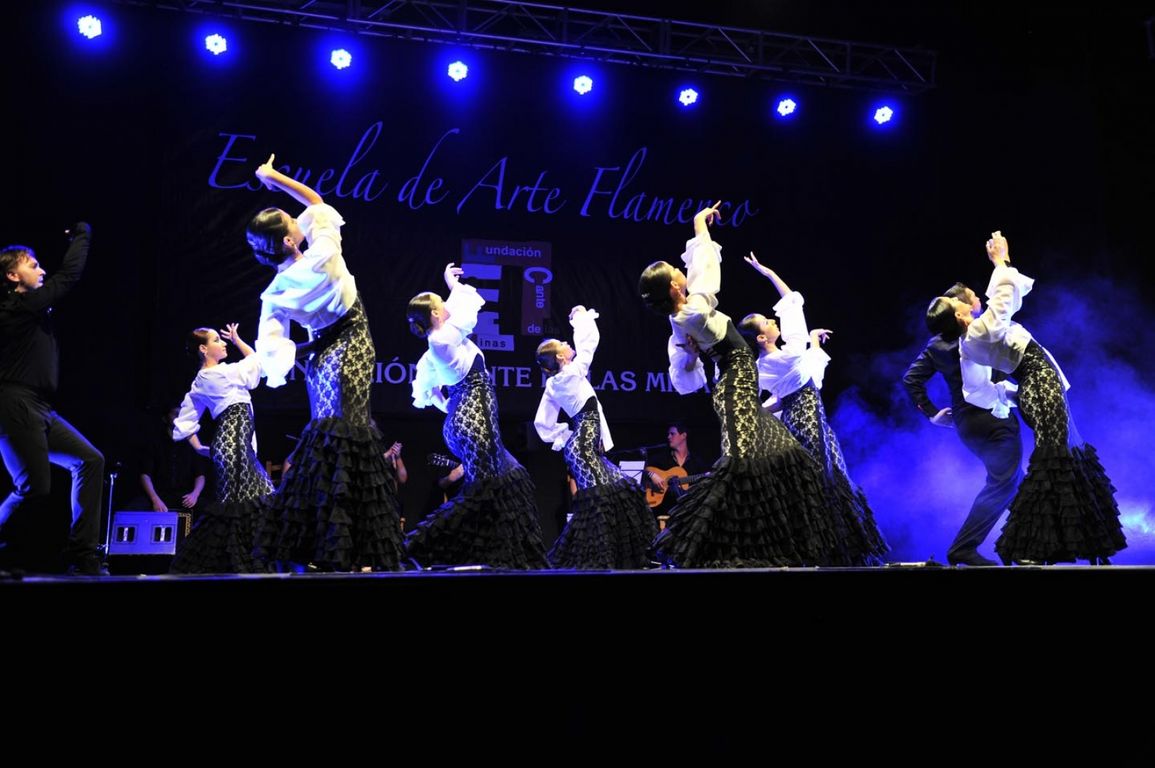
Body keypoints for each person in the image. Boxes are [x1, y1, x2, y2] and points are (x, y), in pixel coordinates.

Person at [637, 204, 836, 568]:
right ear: (675, 286)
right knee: (741, 463)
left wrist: (693, 354)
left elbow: (685, 363)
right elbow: (705, 272)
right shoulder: (691, 310)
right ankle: (695, 542)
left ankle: (761, 543)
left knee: (774, 454)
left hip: (736, 382)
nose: (684, 270)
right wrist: (699, 224)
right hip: (734, 384)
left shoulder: (680, 316)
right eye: (678, 272)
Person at [926, 230, 1126, 565]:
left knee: (1068, 454)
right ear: (959, 316)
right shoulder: (976, 334)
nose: (965, 300)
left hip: (1040, 385)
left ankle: (1089, 542)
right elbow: (1003, 303)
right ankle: (1032, 547)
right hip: (1040, 385)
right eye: (958, 302)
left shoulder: (971, 341)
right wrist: (1000, 262)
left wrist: (1012, 394)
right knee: (1054, 459)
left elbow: (977, 387)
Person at [246, 153, 405, 572]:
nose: (297, 220)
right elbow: (316, 202)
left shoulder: (274, 292)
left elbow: (272, 351)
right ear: (288, 241)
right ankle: (347, 549)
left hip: (320, 357)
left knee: (331, 438)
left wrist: (306, 349)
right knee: (349, 435)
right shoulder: (323, 253)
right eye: (290, 221)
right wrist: (273, 177)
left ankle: (325, 546)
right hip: (352, 340)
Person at [738, 253, 888, 566]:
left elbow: (800, 381)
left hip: (804, 418)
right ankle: (836, 550)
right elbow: (793, 306)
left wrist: (813, 343)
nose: (774, 320)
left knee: (829, 477)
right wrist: (770, 275)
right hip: (808, 422)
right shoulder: (784, 356)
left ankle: (833, 549)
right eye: (767, 322)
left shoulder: (768, 365)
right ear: (762, 337)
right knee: (828, 479)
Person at [406, 262, 549, 569]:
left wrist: (451, 407)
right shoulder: (441, 339)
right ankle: (417, 546)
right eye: (441, 304)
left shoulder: (436, 347)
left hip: (470, 418)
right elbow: (466, 313)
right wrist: (453, 286)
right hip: (474, 421)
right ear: (435, 314)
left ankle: (519, 558)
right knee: (483, 491)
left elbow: (427, 392)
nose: (446, 305)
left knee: (512, 477)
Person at [0, 224, 106, 576]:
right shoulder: (18, 307)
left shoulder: (31, 309)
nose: (42, 270)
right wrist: (82, 235)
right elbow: (68, 276)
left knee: (90, 460)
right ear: (13, 276)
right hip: (14, 403)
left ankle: (83, 554)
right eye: (33, 265)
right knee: (33, 487)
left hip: (41, 407)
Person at [903, 282, 1023, 566]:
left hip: (967, 424)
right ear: (959, 311)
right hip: (991, 417)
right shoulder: (978, 333)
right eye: (968, 298)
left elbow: (910, 379)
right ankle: (964, 547)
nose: (974, 300)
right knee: (1003, 482)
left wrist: (931, 414)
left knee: (1011, 480)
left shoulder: (936, 344)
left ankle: (1020, 545)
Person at [534, 305, 657, 569]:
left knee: (624, 489)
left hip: (583, 447)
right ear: (561, 357)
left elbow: (542, 423)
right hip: (582, 450)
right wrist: (580, 316)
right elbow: (588, 343)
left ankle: (630, 558)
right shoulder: (569, 374)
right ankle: (594, 562)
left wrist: (568, 436)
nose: (568, 344)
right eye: (563, 344)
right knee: (598, 504)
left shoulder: (555, 382)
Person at [170, 324, 273, 573]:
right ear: (203, 349)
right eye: (217, 340)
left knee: (248, 503)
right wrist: (238, 341)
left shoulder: (202, 380)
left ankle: (241, 565)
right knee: (250, 504)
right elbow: (255, 363)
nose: (223, 343)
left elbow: (185, 420)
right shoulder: (217, 374)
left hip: (234, 445)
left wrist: (200, 447)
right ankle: (240, 565)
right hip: (233, 445)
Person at [128, 406, 209, 517]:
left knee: (208, 510)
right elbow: (145, 475)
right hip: (159, 494)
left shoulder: (191, 442)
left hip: (183, 495)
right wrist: (155, 499)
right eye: (175, 414)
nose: (178, 417)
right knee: (134, 509)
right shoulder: (155, 442)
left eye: (181, 414)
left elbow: (200, 475)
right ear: (165, 418)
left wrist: (195, 494)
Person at [644, 423, 711, 521]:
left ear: (683, 435)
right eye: (668, 434)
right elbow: (642, 470)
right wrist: (652, 474)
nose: (668, 437)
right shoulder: (662, 459)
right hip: (664, 507)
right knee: (673, 487)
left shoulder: (696, 462)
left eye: (672, 434)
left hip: (687, 507)